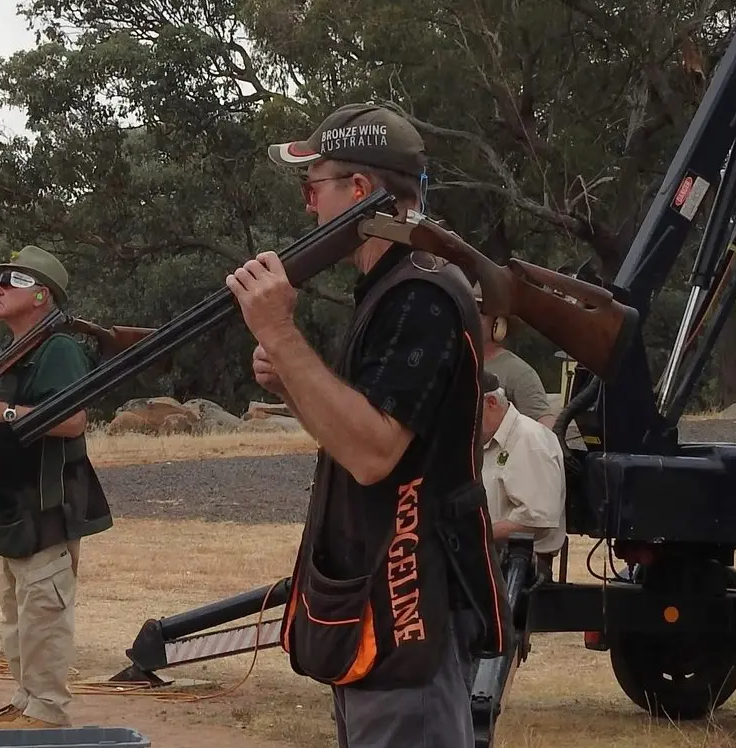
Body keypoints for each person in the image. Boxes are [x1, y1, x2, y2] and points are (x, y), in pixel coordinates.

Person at [228, 103, 510, 748]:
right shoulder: (392, 285)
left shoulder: (421, 293)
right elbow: (359, 433)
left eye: (313, 187)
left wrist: (279, 332)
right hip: (380, 601)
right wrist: (295, 384)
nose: (308, 207)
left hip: (410, 605)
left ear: (359, 192)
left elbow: (374, 454)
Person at [0, 245, 114, 730]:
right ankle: (25, 700)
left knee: (44, 609)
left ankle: (48, 711)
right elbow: (14, 423)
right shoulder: (13, 354)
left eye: (11, 281)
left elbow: (72, 420)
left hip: (47, 503)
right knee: (18, 610)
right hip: (14, 505)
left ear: (42, 295)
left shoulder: (58, 349)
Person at [478, 371, 567, 580]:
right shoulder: (487, 440)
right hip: (493, 564)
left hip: (520, 572)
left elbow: (536, 519)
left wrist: (476, 531)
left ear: (491, 402)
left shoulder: (530, 440)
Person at [473, 285, 556, 428]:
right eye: (469, 309)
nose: (470, 318)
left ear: (499, 324)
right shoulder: (454, 363)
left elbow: (544, 432)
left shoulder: (519, 373)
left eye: (480, 313)